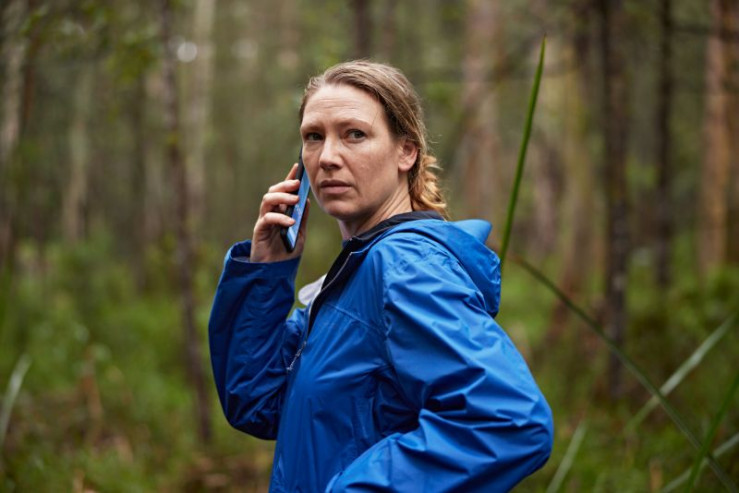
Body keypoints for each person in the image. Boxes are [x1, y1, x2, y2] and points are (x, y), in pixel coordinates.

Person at [209, 60, 553, 492]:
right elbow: (257, 401)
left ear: (406, 152)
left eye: (354, 134)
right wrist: (266, 271)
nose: (328, 157)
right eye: (314, 137)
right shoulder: (352, 278)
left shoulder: (404, 266)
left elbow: (507, 422)